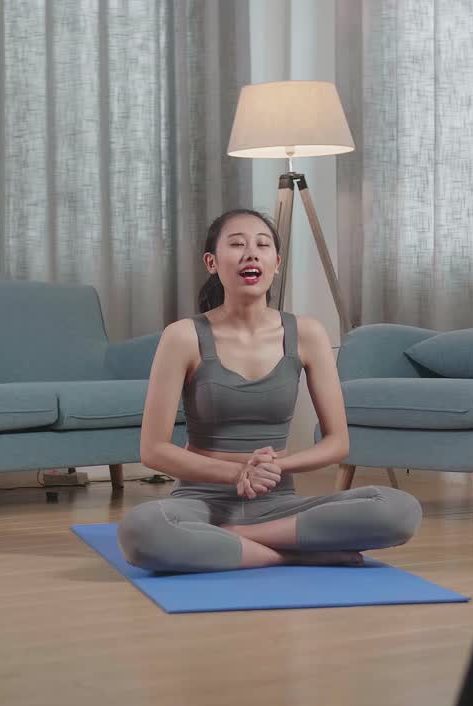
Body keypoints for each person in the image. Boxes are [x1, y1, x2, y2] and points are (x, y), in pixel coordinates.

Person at [117, 209, 422, 573]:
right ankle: (289, 553)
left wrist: (277, 466)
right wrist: (236, 473)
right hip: (201, 501)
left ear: (276, 263)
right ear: (211, 262)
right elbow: (153, 450)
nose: (251, 253)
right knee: (142, 530)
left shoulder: (307, 333)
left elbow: (338, 442)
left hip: (278, 502)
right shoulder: (183, 336)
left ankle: (235, 538)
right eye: (236, 244)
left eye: (262, 245)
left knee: (399, 510)